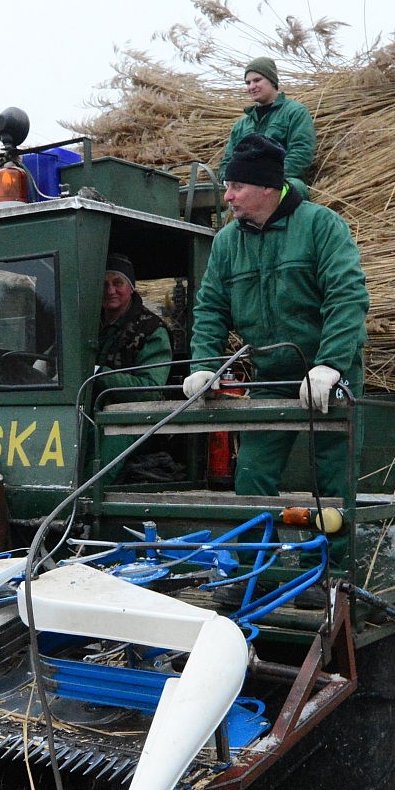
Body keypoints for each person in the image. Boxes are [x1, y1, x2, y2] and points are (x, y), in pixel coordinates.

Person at [184, 134, 369, 501]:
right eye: (227, 186)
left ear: (268, 187)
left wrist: (329, 364)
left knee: (334, 485)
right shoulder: (226, 243)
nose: (228, 196)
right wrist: (204, 364)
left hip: (331, 374)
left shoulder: (322, 226)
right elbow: (211, 308)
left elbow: (346, 297)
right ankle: (259, 558)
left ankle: (332, 561)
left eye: (237, 186)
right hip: (271, 377)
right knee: (252, 475)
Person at [219, 57, 317, 190]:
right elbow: (226, 162)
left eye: (257, 80)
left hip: (280, 183)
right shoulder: (241, 125)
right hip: (243, 188)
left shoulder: (295, 112)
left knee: (296, 187)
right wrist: (230, 180)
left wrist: (266, 179)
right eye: (248, 83)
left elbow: (301, 154)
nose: (252, 87)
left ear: (272, 80)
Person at [96, 253, 172, 394]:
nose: (110, 290)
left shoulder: (152, 330)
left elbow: (152, 389)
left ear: (131, 288)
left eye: (118, 283)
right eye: (104, 284)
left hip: (123, 414)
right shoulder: (88, 323)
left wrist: (99, 374)